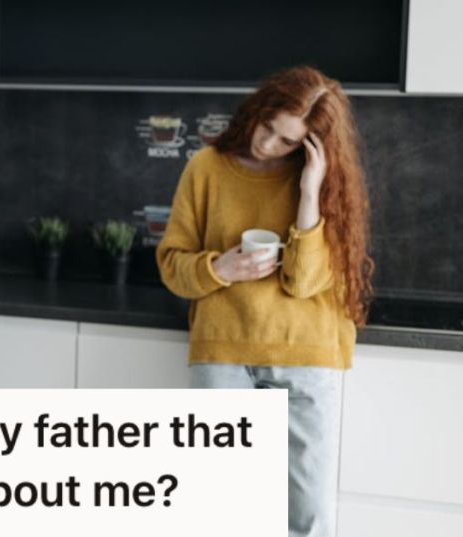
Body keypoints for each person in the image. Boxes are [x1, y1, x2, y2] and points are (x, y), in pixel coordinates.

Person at [156, 66, 374, 537]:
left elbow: (304, 281)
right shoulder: (206, 168)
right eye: (268, 127)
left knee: (308, 518)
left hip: (307, 354)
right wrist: (219, 269)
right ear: (257, 110)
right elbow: (172, 264)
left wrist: (310, 192)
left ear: (311, 147)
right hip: (225, 352)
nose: (267, 144)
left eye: (287, 142)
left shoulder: (322, 185)